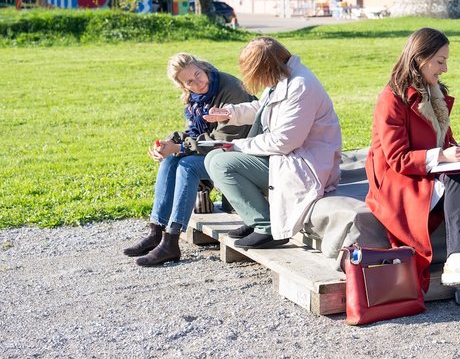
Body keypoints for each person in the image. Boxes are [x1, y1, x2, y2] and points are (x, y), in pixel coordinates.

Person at [365, 28, 460, 312]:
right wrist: (443, 155)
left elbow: (443, 141)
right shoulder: (391, 98)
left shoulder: (434, 94)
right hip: (396, 179)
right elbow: (397, 159)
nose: (445, 68)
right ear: (420, 59)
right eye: (440, 61)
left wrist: (456, 152)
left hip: (424, 170)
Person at [203, 37, 342, 250]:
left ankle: (267, 227)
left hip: (305, 166)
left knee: (222, 164)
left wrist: (239, 145)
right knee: (213, 157)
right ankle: (254, 218)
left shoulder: (300, 86)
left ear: (265, 67)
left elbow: (285, 141)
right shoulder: (284, 78)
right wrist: (229, 113)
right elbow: (263, 108)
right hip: (288, 157)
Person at [123, 53, 255, 266]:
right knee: (170, 161)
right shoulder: (195, 99)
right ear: (183, 86)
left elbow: (223, 140)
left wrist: (180, 147)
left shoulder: (230, 88)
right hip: (216, 152)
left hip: (242, 153)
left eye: (198, 74)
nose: (198, 83)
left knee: (188, 165)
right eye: (190, 82)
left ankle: (171, 240)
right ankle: (156, 231)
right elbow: (194, 133)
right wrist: (169, 143)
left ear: (203, 67)